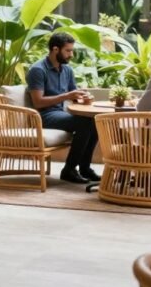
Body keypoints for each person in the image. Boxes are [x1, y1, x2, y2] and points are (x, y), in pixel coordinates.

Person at [26, 33, 99, 184]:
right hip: (43, 116)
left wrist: (82, 97)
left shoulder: (67, 70)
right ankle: (69, 170)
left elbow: (73, 96)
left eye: (72, 51)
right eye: (68, 51)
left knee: (95, 122)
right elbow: (38, 102)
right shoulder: (38, 70)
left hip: (60, 113)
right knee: (85, 123)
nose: (71, 55)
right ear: (55, 49)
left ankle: (84, 168)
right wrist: (66, 96)